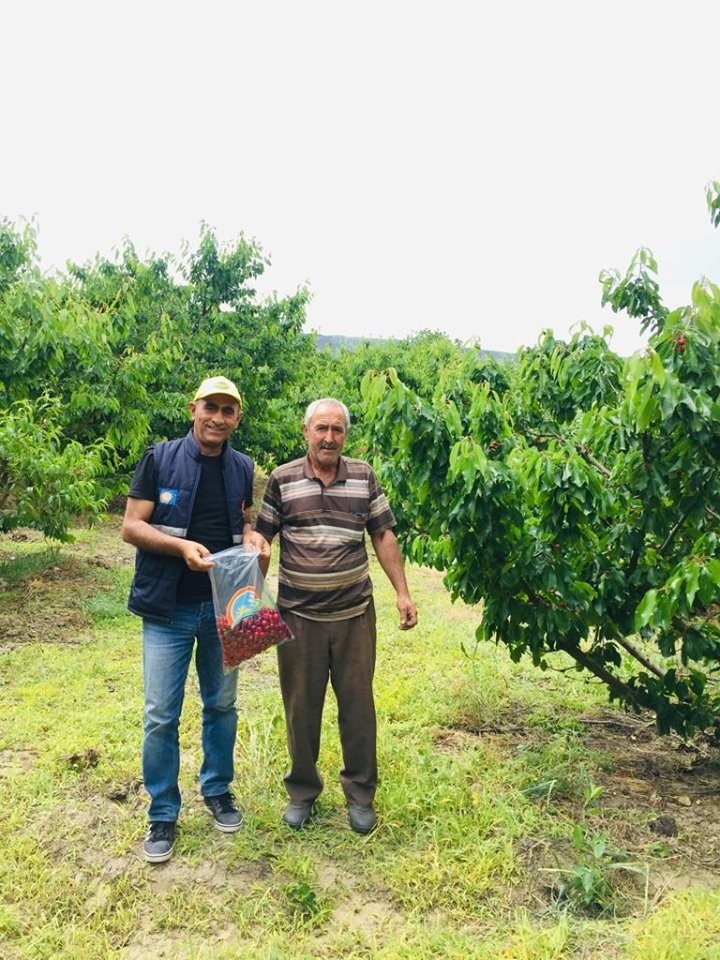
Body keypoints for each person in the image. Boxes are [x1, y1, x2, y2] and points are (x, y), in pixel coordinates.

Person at [253, 397, 418, 835]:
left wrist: (402, 593)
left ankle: (361, 794)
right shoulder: (282, 479)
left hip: (354, 615)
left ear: (346, 435)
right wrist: (249, 606)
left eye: (338, 430)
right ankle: (303, 792)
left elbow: (382, 534)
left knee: (358, 708)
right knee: (300, 709)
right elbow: (262, 542)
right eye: (321, 428)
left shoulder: (363, 476)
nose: (329, 438)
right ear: (305, 431)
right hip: (297, 617)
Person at [121, 375, 268, 863]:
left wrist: (250, 539)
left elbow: (242, 522)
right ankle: (162, 812)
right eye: (211, 407)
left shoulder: (243, 467)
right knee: (161, 713)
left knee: (222, 704)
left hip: (227, 605)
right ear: (193, 408)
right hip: (168, 607)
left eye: (228, 411)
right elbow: (131, 526)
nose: (218, 418)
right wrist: (181, 547)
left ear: (237, 419)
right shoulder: (159, 458)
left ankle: (218, 790)